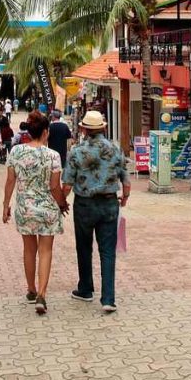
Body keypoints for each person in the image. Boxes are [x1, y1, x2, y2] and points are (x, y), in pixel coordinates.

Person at [3, 111, 70, 315]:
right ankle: (42, 293)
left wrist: (5, 205)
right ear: (45, 132)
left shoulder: (16, 152)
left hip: (25, 208)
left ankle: (31, 289)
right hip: (48, 210)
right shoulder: (53, 156)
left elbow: (10, 181)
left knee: (29, 250)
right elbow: (54, 186)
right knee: (46, 251)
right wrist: (62, 203)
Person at [62, 110, 130, 313]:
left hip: (84, 205)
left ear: (84, 129)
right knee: (108, 251)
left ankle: (85, 289)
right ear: (103, 127)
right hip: (109, 204)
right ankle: (108, 298)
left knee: (84, 247)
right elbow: (126, 181)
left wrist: (61, 202)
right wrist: (124, 198)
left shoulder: (76, 151)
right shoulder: (116, 149)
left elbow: (67, 183)